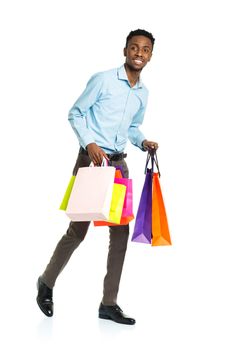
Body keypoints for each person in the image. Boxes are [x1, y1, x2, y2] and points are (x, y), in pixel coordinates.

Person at [37, 28, 158, 325]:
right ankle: (46, 282)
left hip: (118, 167)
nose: (139, 53)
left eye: (145, 49)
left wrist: (143, 141)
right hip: (92, 164)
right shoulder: (103, 80)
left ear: (151, 55)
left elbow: (132, 127)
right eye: (134, 48)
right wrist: (89, 142)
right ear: (125, 50)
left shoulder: (143, 93)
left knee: (120, 234)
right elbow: (76, 113)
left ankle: (109, 303)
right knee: (78, 231)